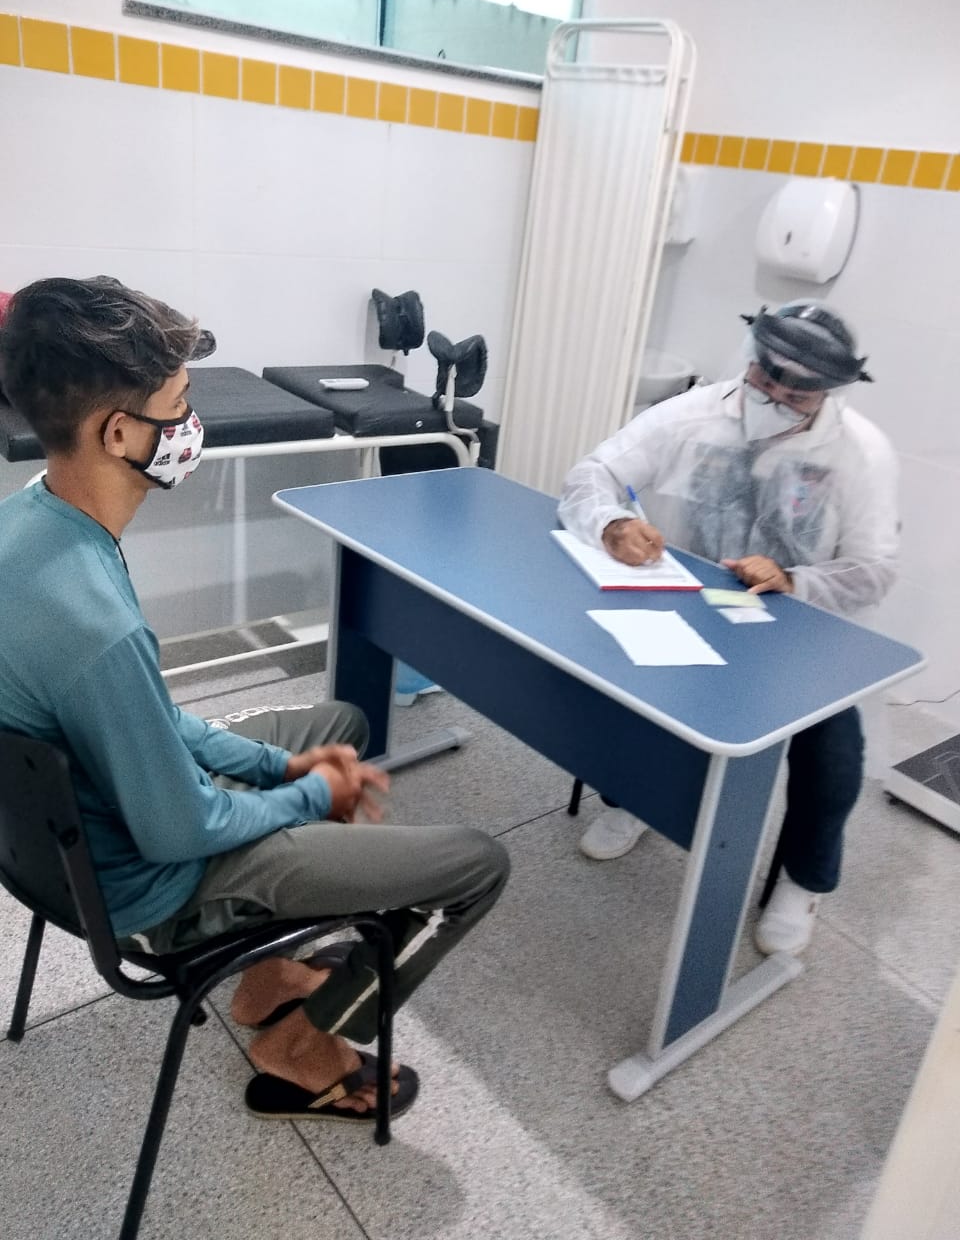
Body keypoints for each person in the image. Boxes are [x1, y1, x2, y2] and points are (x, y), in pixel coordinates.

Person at [0, 276, 509, 1122]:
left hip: (57, 846)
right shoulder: (95, 628)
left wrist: (280, 766)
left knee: (339, 722)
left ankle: (266, 978)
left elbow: (149, 717)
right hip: (157, 886)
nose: (190, 424)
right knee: (477, 865)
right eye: (178, 405)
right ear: (118, 432)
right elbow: (181, 829)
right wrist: (313, 794)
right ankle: (300, 1046)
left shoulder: (28, 519)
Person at [558, 301, 898, 957]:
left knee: (833, 757)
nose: (773, 399)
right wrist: (611, 523)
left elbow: (875, 570)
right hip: (688, 609)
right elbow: (593, 473)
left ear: (829, 392)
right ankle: (635, 802)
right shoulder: (692, 415)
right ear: (751, 360)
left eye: (796, 395)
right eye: (765, 380)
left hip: (802, 634)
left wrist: (795, 578)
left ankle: (803, 881)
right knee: (636, 708)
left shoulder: (861, 453)